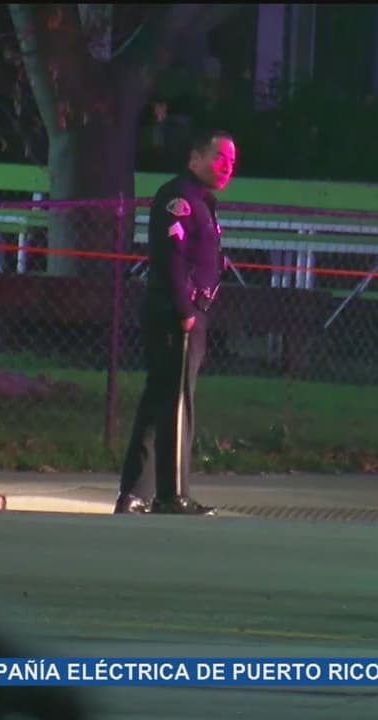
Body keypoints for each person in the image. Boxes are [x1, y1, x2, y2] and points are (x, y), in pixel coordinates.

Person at [114, 130, 237, 516]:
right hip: (176, 314)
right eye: (219, 158)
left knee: (160, 401)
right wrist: (185, 310)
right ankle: (172, 494)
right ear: (195, 158)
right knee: (176, 404)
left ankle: (135, 493)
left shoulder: (202, 201)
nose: (227, 167)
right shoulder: (180, 198)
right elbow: (172, 257)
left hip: (185, 312)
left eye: (232, 162)